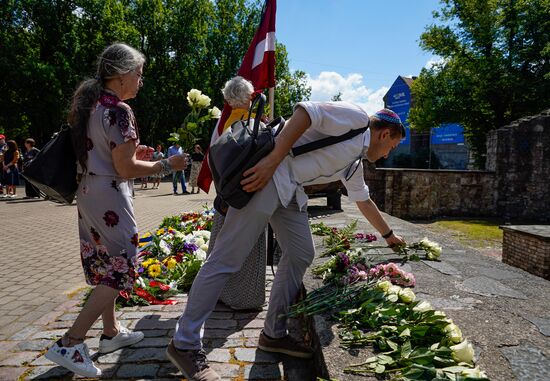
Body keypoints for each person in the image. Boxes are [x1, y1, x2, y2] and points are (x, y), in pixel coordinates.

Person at [166, 98, 407, 380]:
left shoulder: (355, 161)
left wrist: (388, 235)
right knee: (226, 259)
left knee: (302, 252)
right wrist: (272, 160)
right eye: (393, 146)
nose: (390, 153)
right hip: (268, 175)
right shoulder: (356, 118)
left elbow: (363, 200)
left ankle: (273, 333)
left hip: (289, 189)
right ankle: (184, 343)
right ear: (385, 133)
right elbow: (306, 112)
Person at [44, 42, 187, 378]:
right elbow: (125, 168)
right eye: (138, 74)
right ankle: (71, 341)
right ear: (122, 76)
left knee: (106, 262)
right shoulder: (120, 110)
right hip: (110, 194)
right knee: (122, 265)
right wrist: (167, 164)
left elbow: (111, 156)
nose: (141, 80)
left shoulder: (90, 106)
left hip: (89, 191)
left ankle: (110, 333)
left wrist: (139, 159)